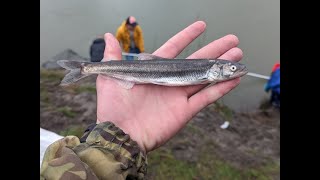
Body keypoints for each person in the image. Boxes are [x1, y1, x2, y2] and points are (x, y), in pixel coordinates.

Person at [40, 21, 243, 179]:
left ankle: (85, 68)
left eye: (232, 68)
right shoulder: (206, 71)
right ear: (217, 68)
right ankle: (85, 68)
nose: (234, 71)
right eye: (231, 69)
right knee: (91, 67)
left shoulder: (209, 70)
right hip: (132, 74)